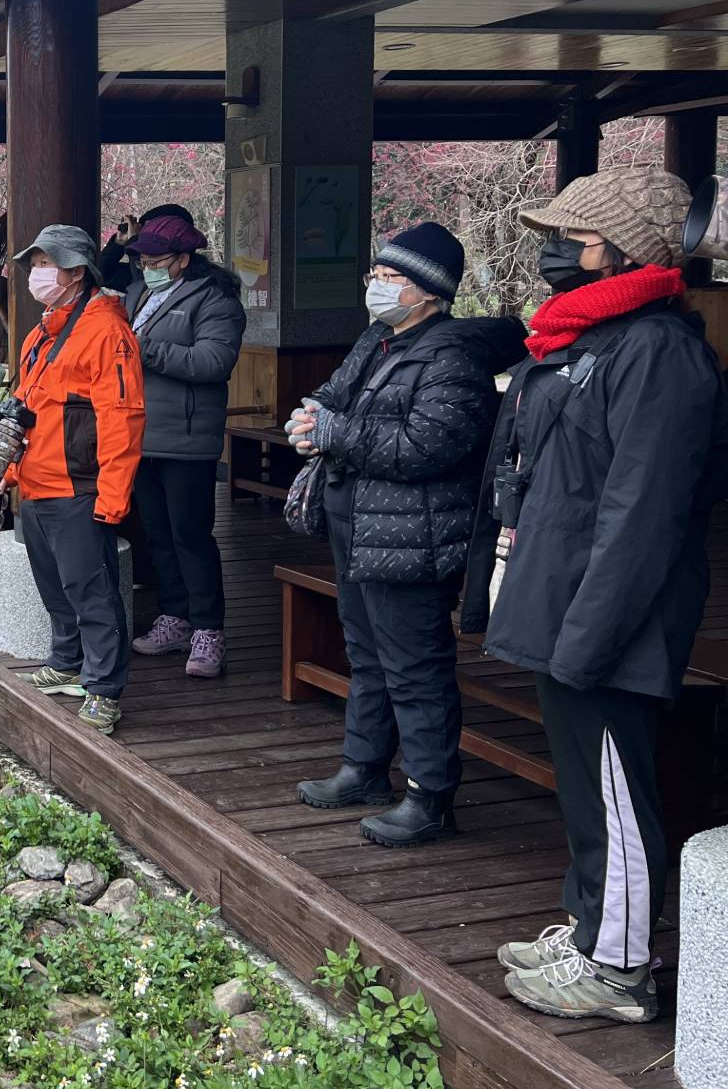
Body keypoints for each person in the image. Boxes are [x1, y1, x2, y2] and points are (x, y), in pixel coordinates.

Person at [459, 165, 726, 1024]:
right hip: (564, 601)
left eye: (571, 236)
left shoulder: (659, 350)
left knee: (616, 788)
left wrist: (588, 636)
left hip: (609, 618)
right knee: (585, 784)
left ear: (617, 248)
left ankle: (619, 967)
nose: (553, 250)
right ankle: (591, 926)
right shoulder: (590, 339)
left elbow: (641, 515)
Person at [289, 223, 525, 847]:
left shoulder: (454, 356)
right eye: (376, 276)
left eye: (391, 279)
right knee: (365, 654)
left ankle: (430, 795)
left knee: (416, 666)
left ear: (429, 292)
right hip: (359, 522)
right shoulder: (379, 339)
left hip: (413, 535)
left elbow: (429, 446)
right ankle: (364, 769)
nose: (377, 287)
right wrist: (310, 417)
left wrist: (336, 433)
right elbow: (332, 397)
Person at [10, 225, 147, 735]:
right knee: (54, 586)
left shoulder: (108, 331)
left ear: (75, 271)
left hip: (78, 484)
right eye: (35, 263)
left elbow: (123, 418)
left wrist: (113, 496)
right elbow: (23, 407)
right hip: (36, 481)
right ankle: (65, 663)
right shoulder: (42, 328)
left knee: (93, 591)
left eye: (48, 263)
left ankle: (105, 688)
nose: (37, 274)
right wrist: (7, 468)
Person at [122, 214, 246, 678]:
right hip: (141, 433)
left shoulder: (216, 300)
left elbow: (214, 361)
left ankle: (209, 630)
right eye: (141, 258)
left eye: (155, 259)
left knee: (191, 535)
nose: (146, 266)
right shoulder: (139, 293)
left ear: (182, 260)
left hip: (188, 438)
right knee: (157, 533)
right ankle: (173, 618)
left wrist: (143, 349)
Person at [99, 203, 198, 295]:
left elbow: (143, 287)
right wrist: (118, 244)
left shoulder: (197, 286)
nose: (146, 238)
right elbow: (100, 275)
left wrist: (134, 242)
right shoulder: (142, 269)